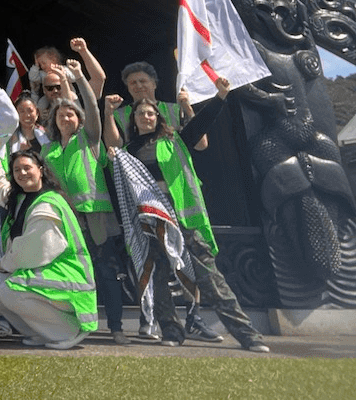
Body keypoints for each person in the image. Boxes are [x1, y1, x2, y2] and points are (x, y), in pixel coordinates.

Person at [104, 75, 271, 352]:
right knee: (158, 282)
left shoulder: (176, 141)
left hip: (182, 221)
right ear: (133, 121)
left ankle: (249, 335)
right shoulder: (129, 151)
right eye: (140, 114)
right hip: (150, 223)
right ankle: (171, 330)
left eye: (150, 113)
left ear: (158, 118)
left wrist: (220, 97)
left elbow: (201, 125)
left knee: (210, 279)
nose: (145, 116)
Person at [40, 49, 128, 344]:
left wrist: (77, 77)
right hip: (65, 219)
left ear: (78, 120)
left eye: (70, 114)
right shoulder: (48, 150)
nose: (66, 117)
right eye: (61, 114)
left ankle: (116, 328)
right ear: (54, 121)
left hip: (96, 215)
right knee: (72, 273)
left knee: (106, 271)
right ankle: (78, 326)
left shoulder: (88, 139)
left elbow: (91, 105)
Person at [0, 148, 99, 349]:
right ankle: (40, 332)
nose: (22, 173)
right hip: (45, 269)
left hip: (67, 275)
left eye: (27, 168)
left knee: (11, 290)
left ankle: (67, 331)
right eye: (17, 170)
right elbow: (1, 188)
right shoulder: (20, 199)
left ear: (41, 170)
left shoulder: (48, 203)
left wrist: (4, 263)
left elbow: (34, 250)